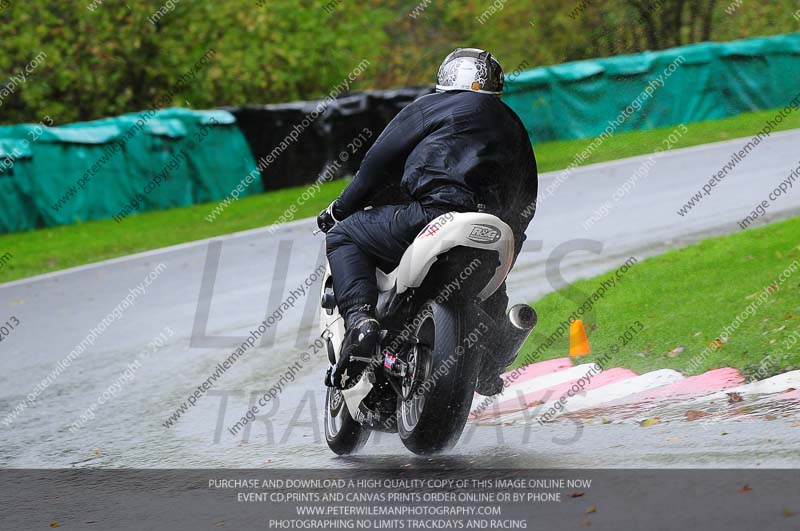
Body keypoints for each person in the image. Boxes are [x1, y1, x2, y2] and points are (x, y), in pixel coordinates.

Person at [317, 48, 538, 394]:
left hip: (433, 214)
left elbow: (377, 163)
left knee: (345, 236)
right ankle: (492, 357)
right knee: (491, 291)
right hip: (497, 231)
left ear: (447, 77)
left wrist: (339, 210)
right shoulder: (514, 124)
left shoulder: (428, 107)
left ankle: (360, 320)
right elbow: (528, 198)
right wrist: (511, 246)